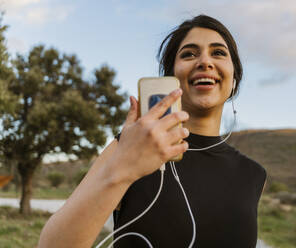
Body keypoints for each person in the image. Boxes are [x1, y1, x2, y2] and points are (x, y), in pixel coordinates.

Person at [38, 15, 266, 248]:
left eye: (218, 52)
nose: (205, 62)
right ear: (171, 79)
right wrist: (124, 168)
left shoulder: (254, 174)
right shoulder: (130, 147)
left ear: (234, 80)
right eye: (189, 54)